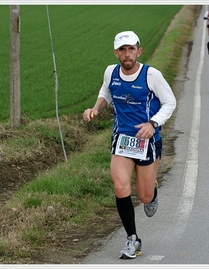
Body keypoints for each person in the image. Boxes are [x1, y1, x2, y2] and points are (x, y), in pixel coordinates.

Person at [82, 30, 176, 259]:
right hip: (122, 140)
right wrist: (95, 108)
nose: (127, 54)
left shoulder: (151, 75)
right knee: (120, 186)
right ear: (116, 53)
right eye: (122, 50)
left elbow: (170, 102)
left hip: (148, 141)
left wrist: (153, 124)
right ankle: (132, 239)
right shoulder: (110, 72)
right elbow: (107, 92)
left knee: (143, 197)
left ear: (139, 51)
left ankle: (151, 193)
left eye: (131, 49)